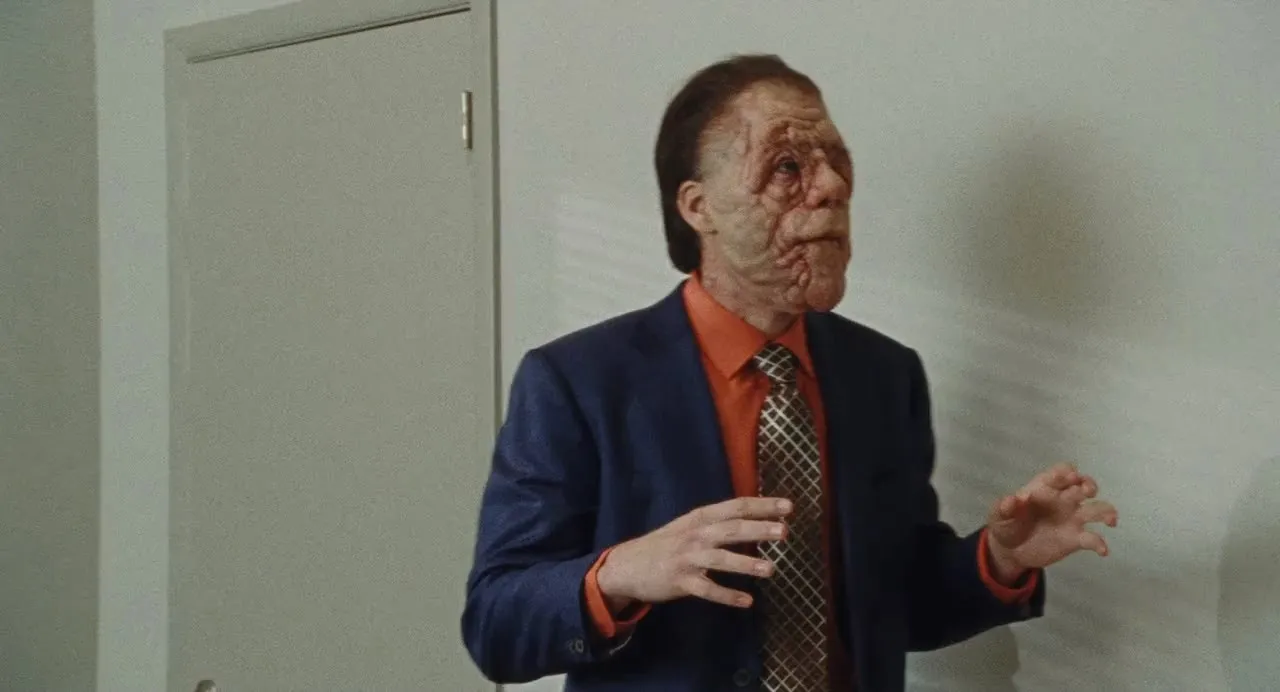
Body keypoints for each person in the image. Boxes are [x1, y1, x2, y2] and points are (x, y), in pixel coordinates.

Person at [461, 54, 1118, 692]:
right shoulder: (577, 382)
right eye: (787, 167)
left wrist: (999, 559)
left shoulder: (884, 376)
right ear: (699, 207)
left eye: (836, 161)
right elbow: (495, 625)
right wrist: (619, 574)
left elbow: (892, 603)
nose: (831, 187)